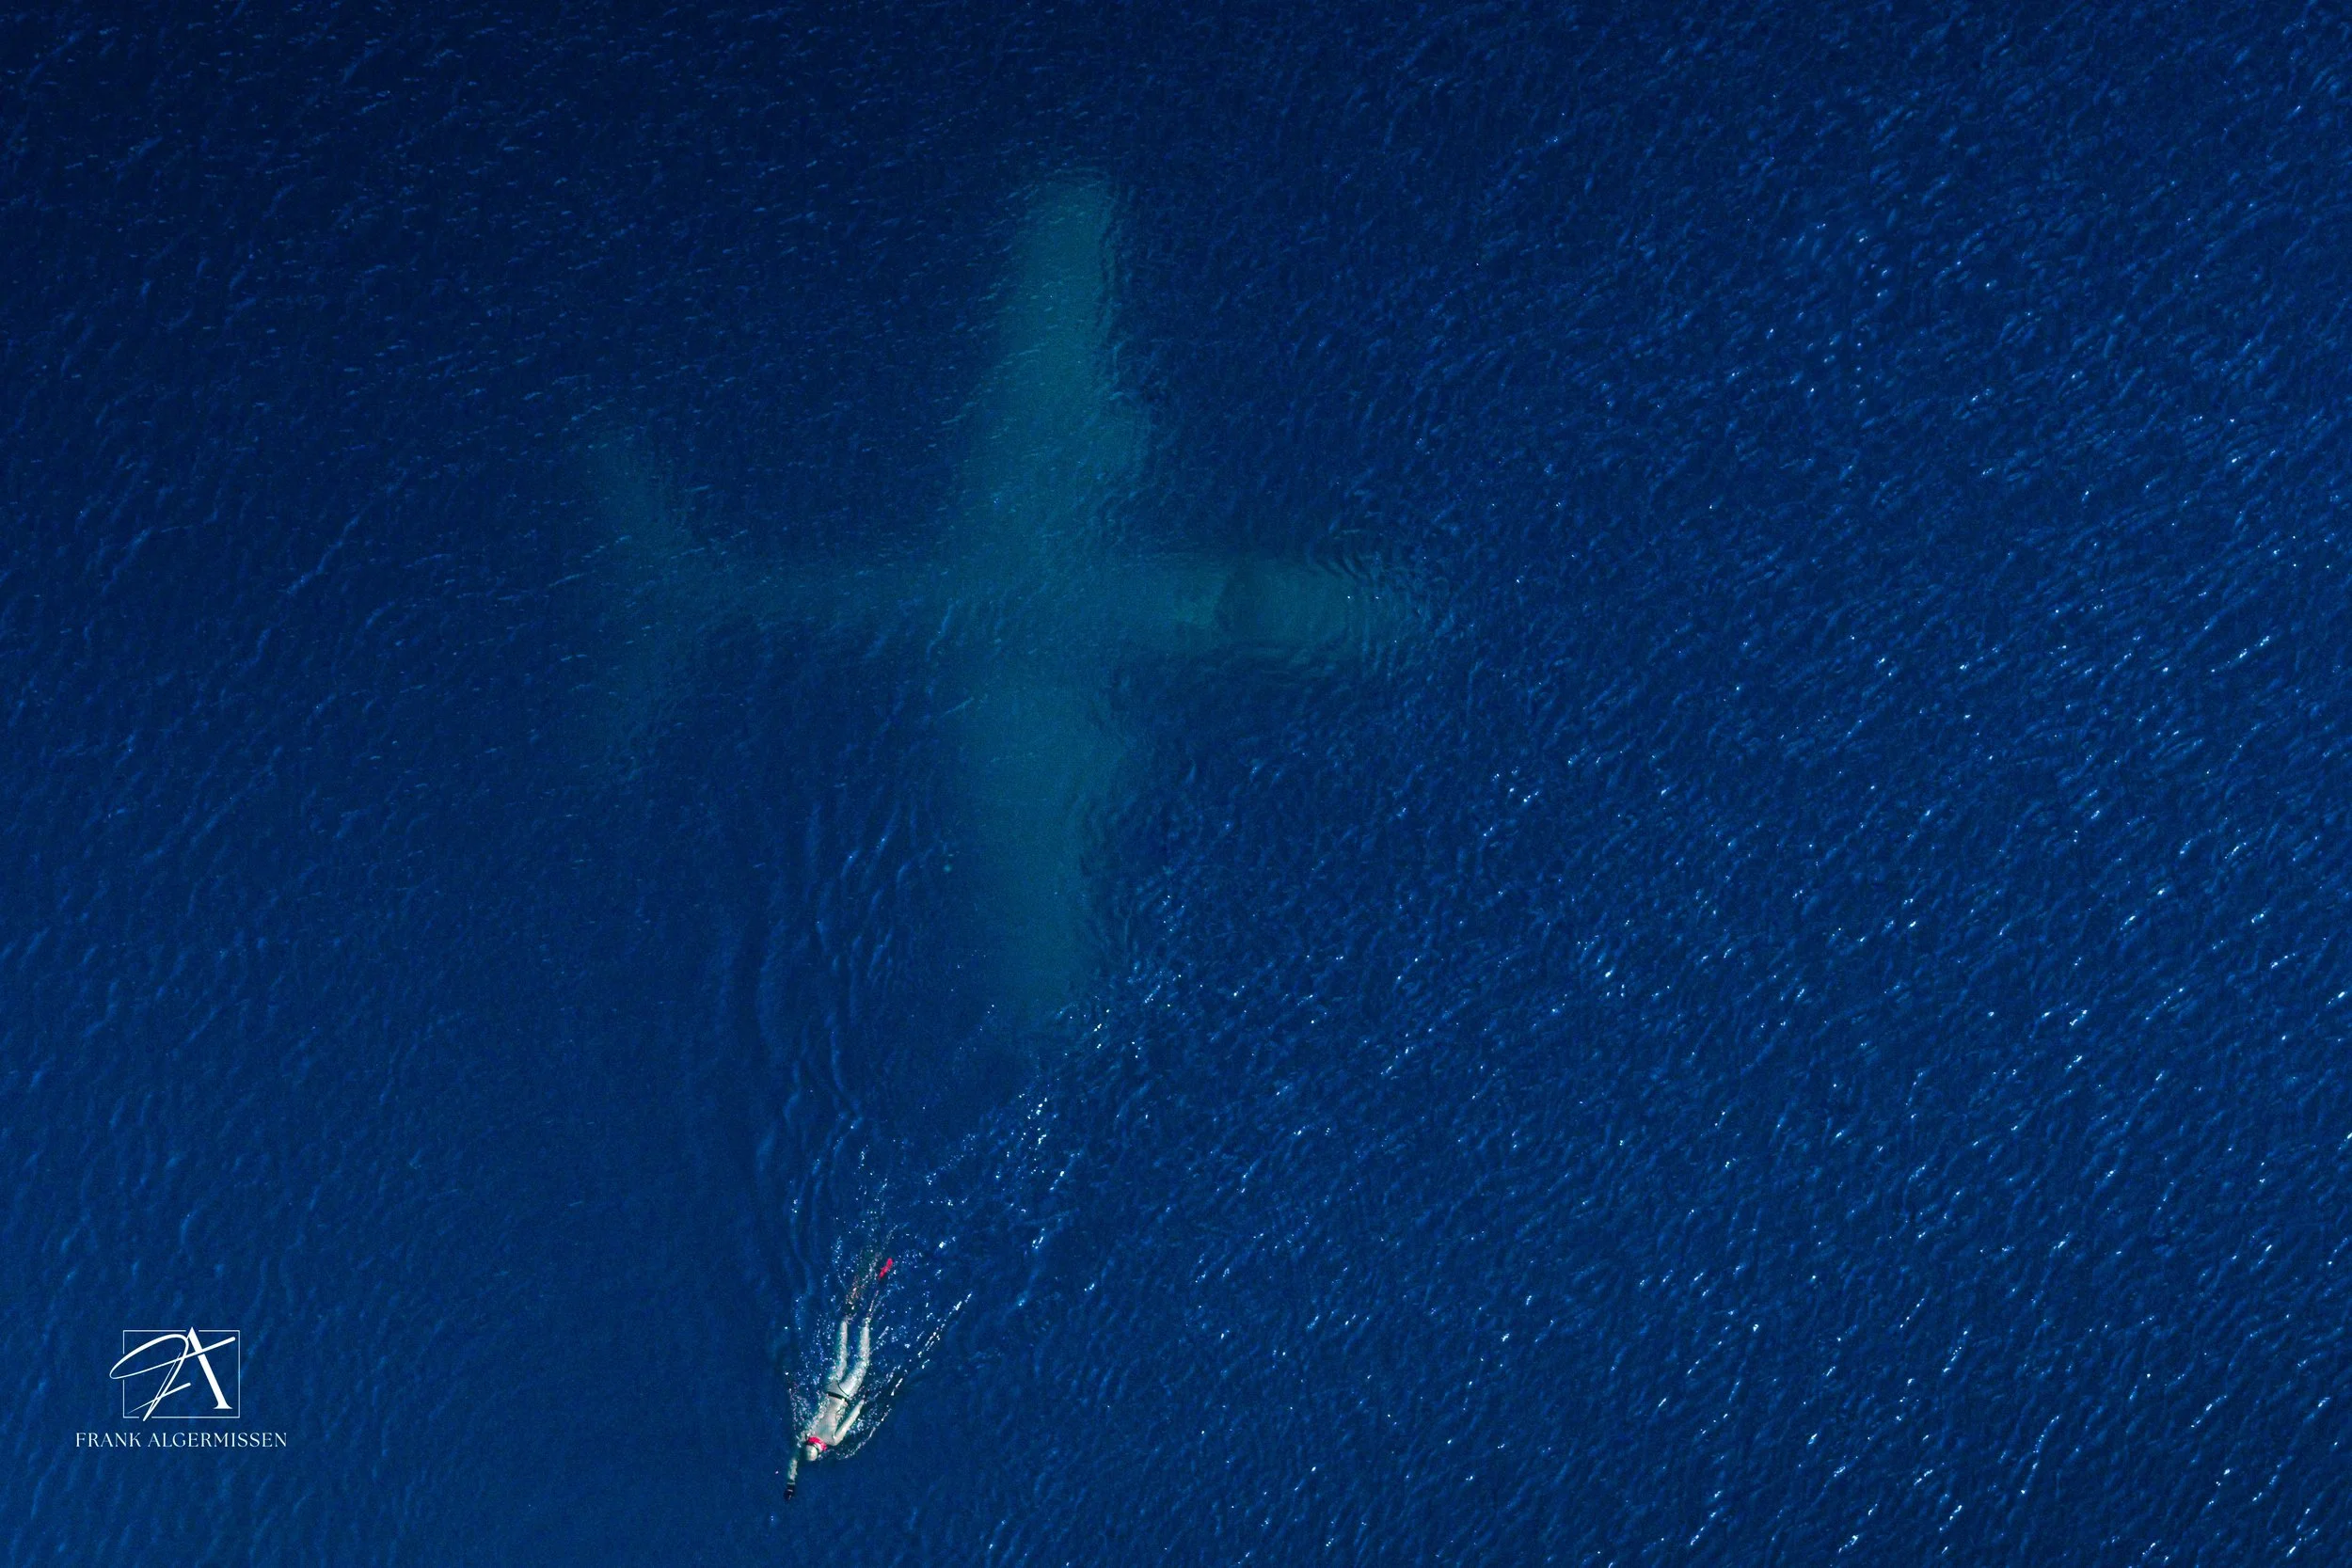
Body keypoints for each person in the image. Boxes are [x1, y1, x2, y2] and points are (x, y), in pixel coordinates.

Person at [783, 1254, 895, 1500]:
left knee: (862, 1358)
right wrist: (789, 1483)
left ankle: (869, 1308)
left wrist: (863, 1401)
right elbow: (793, 1457)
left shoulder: (833, 1440)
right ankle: (846, 1317)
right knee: (840, 1349)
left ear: (820, 1449)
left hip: (844, 1395)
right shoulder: (805, 1431)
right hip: (829, 1385)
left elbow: (851, 1418)